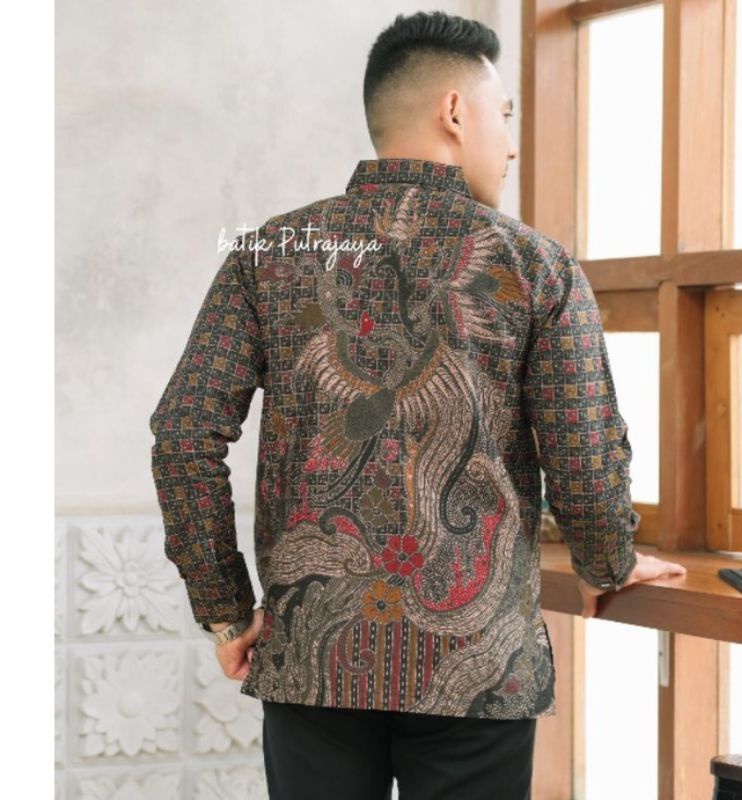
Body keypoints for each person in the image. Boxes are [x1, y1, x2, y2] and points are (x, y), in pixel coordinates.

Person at [148, 10, 687, 799]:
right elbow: (583, 451)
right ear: (455, 112)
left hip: (314, 660)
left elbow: (182, 437)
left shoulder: (269, 254)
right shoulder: (536, 266)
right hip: (479, 667)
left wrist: (226, 609)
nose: (509, 145)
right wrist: (610, 560)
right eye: (504, 116)